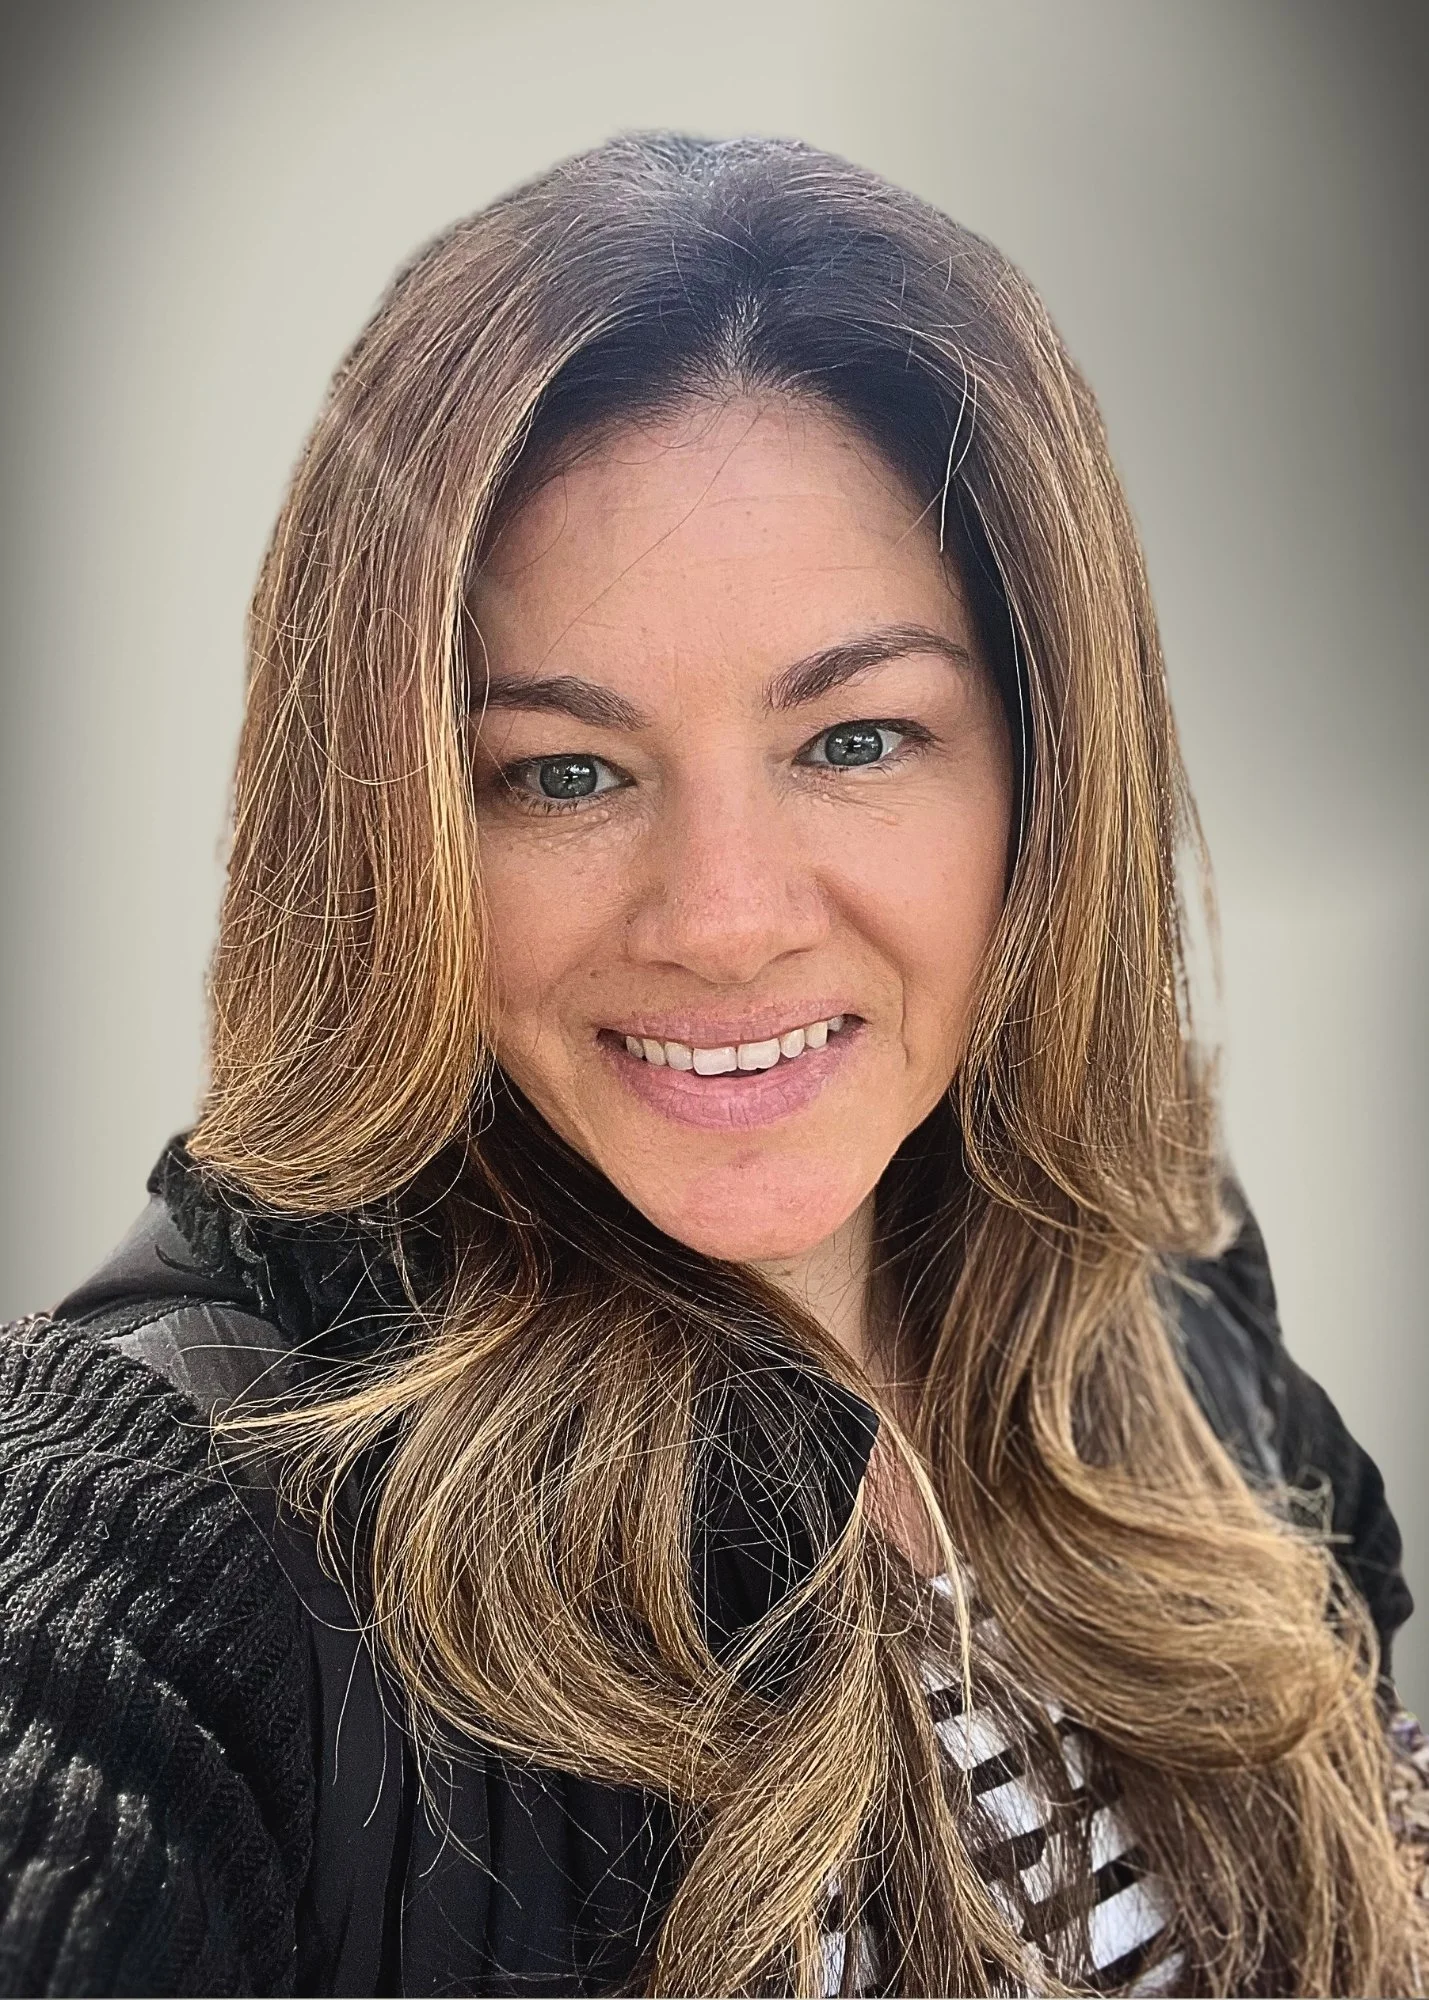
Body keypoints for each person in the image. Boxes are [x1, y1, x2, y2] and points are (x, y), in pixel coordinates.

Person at [0, 132, 1424, 1998]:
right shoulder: (177, 1502)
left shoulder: (1168, 1296)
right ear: (385, 828)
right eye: (563, 773)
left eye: (856, 739)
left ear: (1044, 771)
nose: (726, 918)